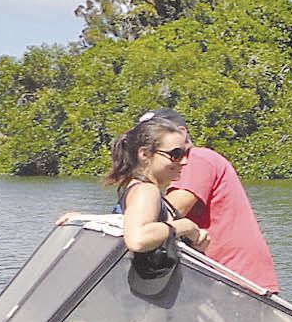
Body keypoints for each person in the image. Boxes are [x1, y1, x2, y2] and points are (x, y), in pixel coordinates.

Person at [137, 108, 278, 292]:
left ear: (181, 132)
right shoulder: (180, 167)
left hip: (237, 279)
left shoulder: (197, 159)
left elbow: (167, 213)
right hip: (216, 278)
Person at [101, 113, 210, 263]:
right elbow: (138, 239)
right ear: (145, 154)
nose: (184, 161)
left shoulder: (138, 188)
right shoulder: (146, 190)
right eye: (176, 154)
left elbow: (131, 224)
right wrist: (186, 226)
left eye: (185, 154)